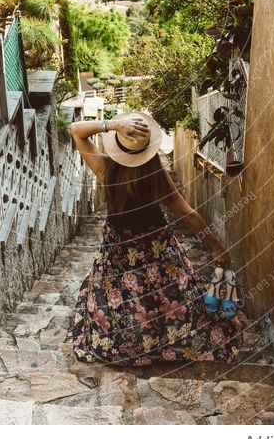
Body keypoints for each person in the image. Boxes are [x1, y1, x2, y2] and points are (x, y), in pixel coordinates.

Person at [70, 110, 245, 365]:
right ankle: (164, 342)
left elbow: (77, 129)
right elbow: (187, 213)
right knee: (165, 296)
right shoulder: (156, 177)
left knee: (123, 303)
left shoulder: (107, 171)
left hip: (118, 255)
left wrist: (114, 124)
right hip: (158, 251)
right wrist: (216, 247)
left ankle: (128, 346)